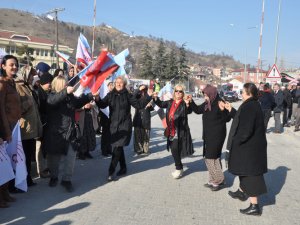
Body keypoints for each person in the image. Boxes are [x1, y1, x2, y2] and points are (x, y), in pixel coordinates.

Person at [42, 76, 95, 192]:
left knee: (70, 158)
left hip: (70, 132)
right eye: (64, 84)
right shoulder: (51, 96)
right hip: (56, 133)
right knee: (54, 158)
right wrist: (65, 92)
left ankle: (67, 180)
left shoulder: (70, 97)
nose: (67, 85)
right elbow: (52, 102)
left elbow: (78, 103)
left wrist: (90, 95)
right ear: (58, 85)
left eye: (66, 84)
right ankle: (54, 177)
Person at [95, 76, 152, 182]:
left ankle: (111, 171)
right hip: (114, 126)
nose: (119, 84)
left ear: (124, 84)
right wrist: (97, 99)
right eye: (117, 82)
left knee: (117, 147)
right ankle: (123, 167)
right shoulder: (110, 95)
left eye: (121, 83)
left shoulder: (128, 95)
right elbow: (102, 105)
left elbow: (139, 105)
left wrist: (149, 96)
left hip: (125, 126)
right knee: (118, 147)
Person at [226, 83, 267, 216]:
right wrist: (231, 110)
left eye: (242, 92)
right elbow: (240, 118)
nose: (241, 94)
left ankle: (255, 206)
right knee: (243, 170)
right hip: (250, 148)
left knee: (251, 175)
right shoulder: (252, 104)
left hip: (249, 149)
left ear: (248, 93)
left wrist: (236, 141)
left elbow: (246, 129)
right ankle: (242, 192)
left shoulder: (250, 106)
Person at [189, 84, 232, 190]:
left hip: (217, 135)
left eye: (206, 95)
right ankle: (213, 180)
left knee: (209, 158)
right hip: (209, 134)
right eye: (204, 95)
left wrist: (223, 110)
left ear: (211, 94)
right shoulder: (208, 102)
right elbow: (198, 110)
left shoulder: (219, 102)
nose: (205, 97)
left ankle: (219, 180)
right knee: (214, 157)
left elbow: (227, 119)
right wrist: (191, 101)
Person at [153, 84, 194, 179]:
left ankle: (178, 168)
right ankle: (179, 166)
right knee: (173, 150)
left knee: (175, 149)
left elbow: (189, 111)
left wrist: (188, 104)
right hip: (170, 130)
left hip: (179, 130)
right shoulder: (170, 102)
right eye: (177, 91)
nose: (178, 93)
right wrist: (155, 98)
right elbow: (161, 104)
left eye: (180, 91)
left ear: (183, 93)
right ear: (174, 92)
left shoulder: (184, 103)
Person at [15, 65, 43, 187]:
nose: (33, 77)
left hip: (31, 127)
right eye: (31, 75)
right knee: (24, 156)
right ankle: (24, 180)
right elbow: (16, 108)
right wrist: (28, 104)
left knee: (28, 154)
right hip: (24, 128)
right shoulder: (18, 86)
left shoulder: (27, 86)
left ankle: (28, 179)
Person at [0, 55, 22, 207]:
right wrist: (6, 131)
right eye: (11, 65)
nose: (14, 67)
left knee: (8, 164)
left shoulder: (12, 83)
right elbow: (0, 109)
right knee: (2, 164)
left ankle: (5, 192)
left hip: (14, 127)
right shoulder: (1, 84)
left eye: (16, 65)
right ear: (3, 66)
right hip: (4, 128)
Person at [35, 72, 53, 178]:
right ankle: (40, 171)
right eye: (49, 83)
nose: (50, 85)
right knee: (40, 149)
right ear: (44, 83)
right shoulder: (39, 93)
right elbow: (39, 110)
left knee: (43, 148)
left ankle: (44, 169)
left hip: (44, 124)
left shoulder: (44, 92)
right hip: (41, 124)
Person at [133, 85, 153, 155]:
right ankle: (138, 149)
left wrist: (150, 105)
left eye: (144, 89)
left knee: (146, 134)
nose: (143, 91)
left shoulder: (149, 97)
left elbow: (153, 107)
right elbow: (132, 96)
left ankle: (145, 149)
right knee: (138, 134)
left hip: (146, 117)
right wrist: (139, 89)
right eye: (142, 89)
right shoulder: (137, 96)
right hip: (138, 118)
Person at [99, 81, 114, 156]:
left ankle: (109, 149)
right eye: (110, 85)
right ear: (107, 86)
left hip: (111, 117)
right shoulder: (105, 94)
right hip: (104, 116)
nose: (111, 86)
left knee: (110, 134)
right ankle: (104, 150)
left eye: (112, 85)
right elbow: (101, 104)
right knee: (105, 134)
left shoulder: (113, 95)